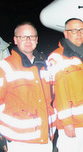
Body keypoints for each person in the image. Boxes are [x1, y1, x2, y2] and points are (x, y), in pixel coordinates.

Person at [47, 18, 83, 152]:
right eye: (74, 30)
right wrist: (67, 122)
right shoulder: (57, 58)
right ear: (65, 33)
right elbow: (59, 93)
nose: (79, 33)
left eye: (81, 30)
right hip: (73, 124)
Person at [0, 22, 54, 152]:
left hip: (45, 137)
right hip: (19, 141)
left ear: (36, 39)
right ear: (15, 40)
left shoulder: (44, 65)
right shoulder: (5, 66)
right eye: (23, 37)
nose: (28, 40)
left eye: (32, 37)